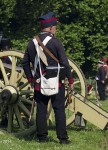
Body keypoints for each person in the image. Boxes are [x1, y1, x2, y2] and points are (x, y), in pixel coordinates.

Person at [22, 11, 74, 144]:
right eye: (55, 26)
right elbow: (64, 63)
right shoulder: (56, 42)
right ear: (51, 27)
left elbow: (25, 62)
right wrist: (71, 80)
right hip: (57, 83)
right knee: (59, 110)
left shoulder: (31, 43)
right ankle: (62, 139)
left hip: (39, 82)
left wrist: (30, 79)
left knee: (41, 110)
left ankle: (42, 138)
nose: (55, 29)